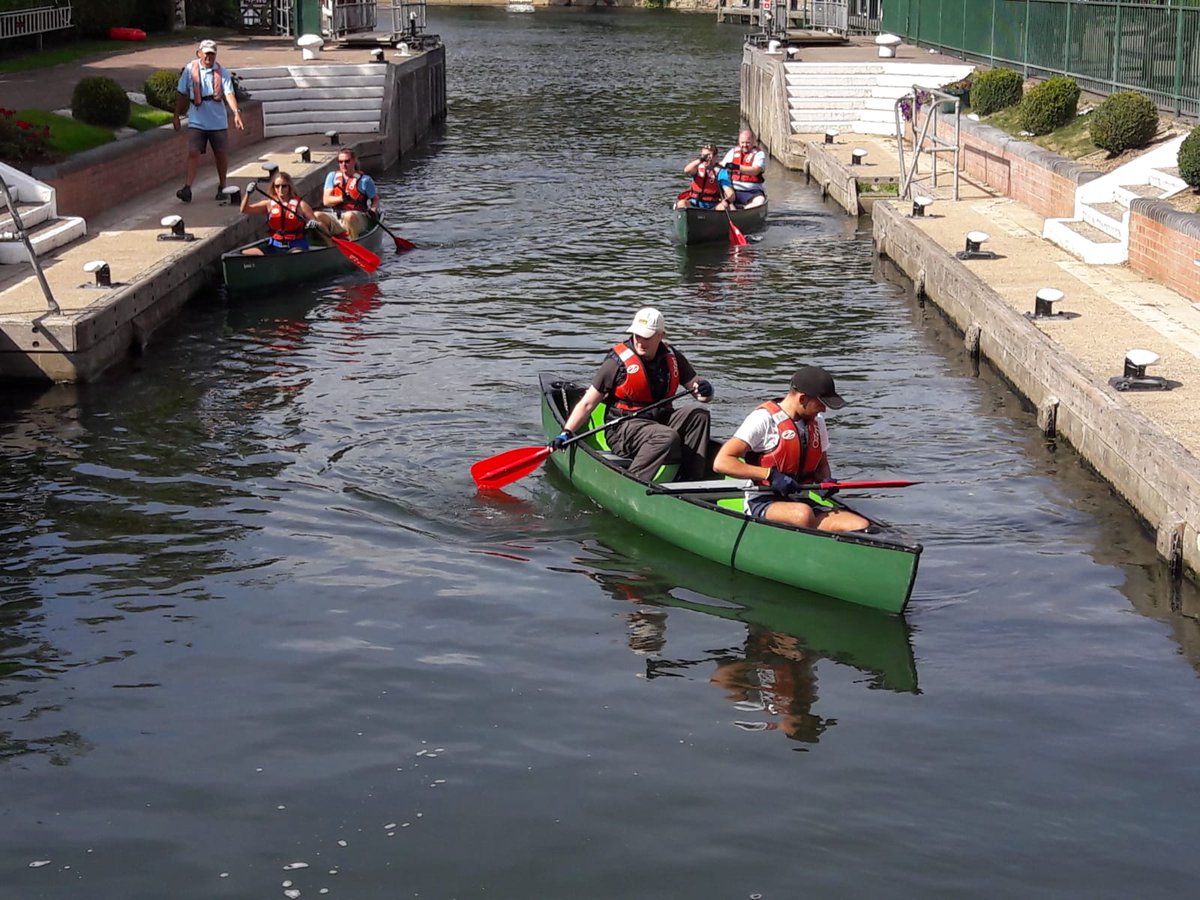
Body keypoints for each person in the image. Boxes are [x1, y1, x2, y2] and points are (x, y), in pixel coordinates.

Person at [551, 307, 714, 483]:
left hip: (659, 421)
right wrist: (566, 432)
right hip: (623, 429)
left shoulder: (673, 357)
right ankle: (633, 482)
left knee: (699, 415)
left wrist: (706, 390)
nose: (640, 342)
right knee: (665, 436)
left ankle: (689, 479)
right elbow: (588, 403)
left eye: (647, 337)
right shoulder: (617, 363)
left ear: (660, 335)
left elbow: (702, 396)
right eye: (637, 336)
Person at [712, 366, 869, 532]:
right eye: (821, 404)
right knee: (802, 515)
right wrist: (769, 475)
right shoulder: (763, 420)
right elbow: (721, 462)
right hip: (764, 501)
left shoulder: (817, 422)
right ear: (802, 399)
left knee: (860, 525)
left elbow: (821, 464)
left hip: (802, 501)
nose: (824, 409)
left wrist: (826, 480)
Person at [172, 39, 244, 203]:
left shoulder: (222, 72)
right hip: (197, 119)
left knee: (220, 153)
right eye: (206, 54)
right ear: (199, 54)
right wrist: (176, 115)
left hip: (217, 121)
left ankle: (222, 185)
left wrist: (236, 113)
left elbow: (229, 93)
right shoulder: (190, 70)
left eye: (212, 54)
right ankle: (187, 188)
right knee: (193, 152)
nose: (208, 57)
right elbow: (181, 92)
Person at [238, 171, 328, 256]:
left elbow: (322, 227)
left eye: (284, 186)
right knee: (245, 253)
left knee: (295, 255)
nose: (280, 189)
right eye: (277, 186)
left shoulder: (301, 205)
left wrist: (315, 224)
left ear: (289, 187)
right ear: (273, 187)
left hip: (296, 245)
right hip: (275, 245)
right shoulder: (269, 204)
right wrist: (248, 194)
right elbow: (244, 209)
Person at [322, 148, 380, 239]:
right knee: (317, 216)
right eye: (340, 162)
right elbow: (326, 201)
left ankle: (354, 240)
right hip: (337, 216)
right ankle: (329, 243)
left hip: (357, 217)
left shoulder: (365, 180)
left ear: (354, 161)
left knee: (349, 216)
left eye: (347, 161)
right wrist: (341, 199)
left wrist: (373, 210)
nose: (343, 164)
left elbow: (375, 199)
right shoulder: (332, 176)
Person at [673, 143, 732, 210]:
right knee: (681, 204)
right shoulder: (697, 168)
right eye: (704, 155)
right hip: (694, 203)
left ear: (715, 157)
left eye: (709, 155)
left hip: (713, 206)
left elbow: (730, 192)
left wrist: (727, 201)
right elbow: (686, 170)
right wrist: (701, 159)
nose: (707, 158)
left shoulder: (721, 172)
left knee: (724, 207)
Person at [719, 129, 767, 209]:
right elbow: (721, 165)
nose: (744, 145)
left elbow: (755, 170)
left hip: (752, 192)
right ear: (739, 141)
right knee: (722, 198)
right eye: (742, 142)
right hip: (733, 190)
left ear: (753, 142)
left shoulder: (759, 154)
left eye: (747, 142)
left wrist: (737, 167)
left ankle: (746, 211)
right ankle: (731, 208)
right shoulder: (733, 152)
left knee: (759, 201)